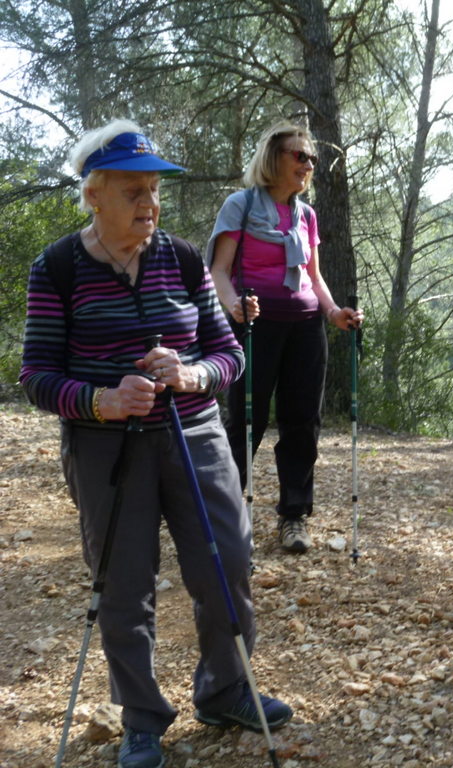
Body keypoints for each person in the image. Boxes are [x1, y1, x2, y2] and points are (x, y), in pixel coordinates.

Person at [20, 120, 292, 768]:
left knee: (227, 562)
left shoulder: (183, 257)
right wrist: (101, 400)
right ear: (94, 194)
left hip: (193, 429)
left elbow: (229, 355)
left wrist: (194, 373)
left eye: (154, 191)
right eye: (134, 191)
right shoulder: (57, 268)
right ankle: (142, 720)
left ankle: (225, 690)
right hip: (104, 448)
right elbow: (35, 376)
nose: (151, 204)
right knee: (122, 586)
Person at [208, 121, 362, 554]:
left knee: (303, 423)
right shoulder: (239, 206)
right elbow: (219, 270)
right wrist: (234, 304)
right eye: (299, 155)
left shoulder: (306, 215)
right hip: (254, 323)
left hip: (306, 327)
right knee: (245, 421)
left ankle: (294, 516)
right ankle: (224, 512)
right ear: (272, 158)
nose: (307, 164)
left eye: (311, 158)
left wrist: (334, 313)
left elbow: (313, 277)